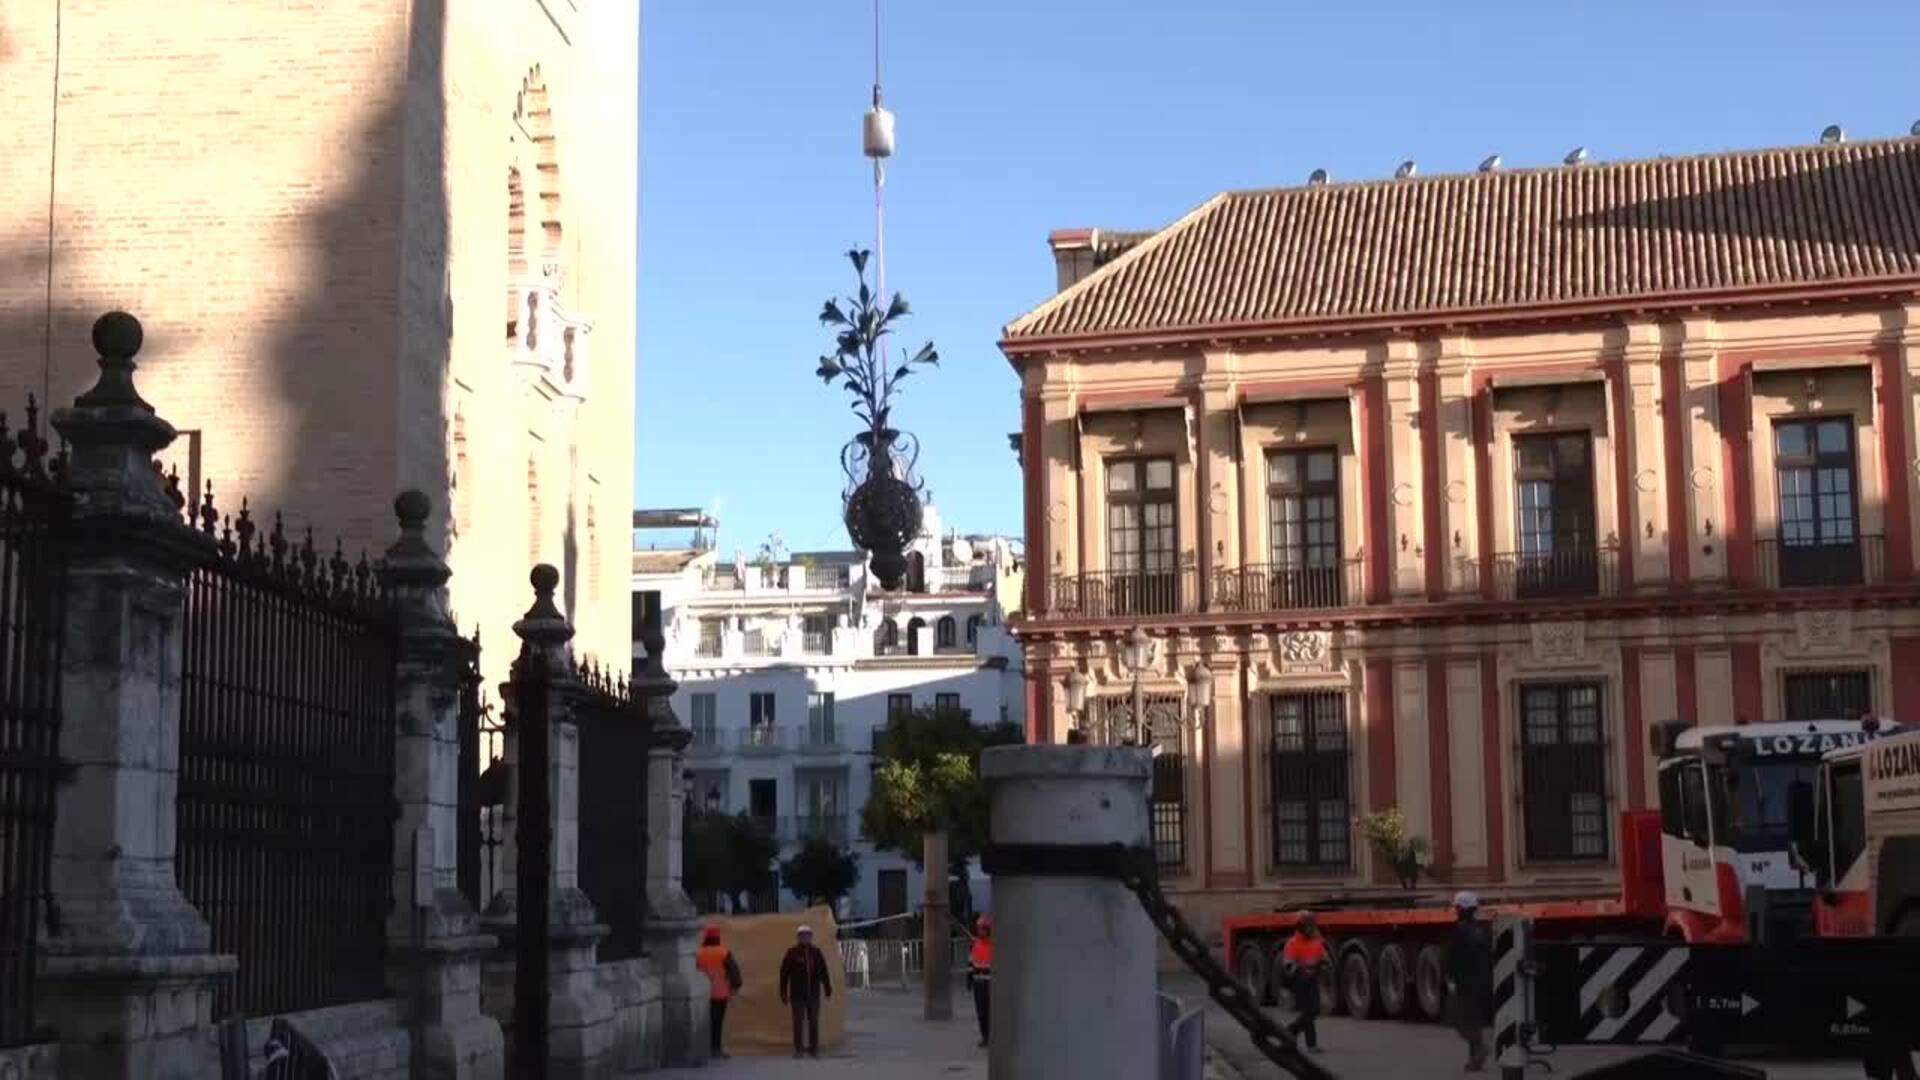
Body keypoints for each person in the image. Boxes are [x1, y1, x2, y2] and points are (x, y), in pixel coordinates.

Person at [1446, 891, 1494, 1072]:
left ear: (1462, 909)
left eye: (1457, 907)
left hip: (1464, 982)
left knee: (1459, 1022)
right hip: (1482, 981)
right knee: (1474, 1021)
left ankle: (1479, 1050)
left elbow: (1453, 957)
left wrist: (1450, 978)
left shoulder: (1459, 930)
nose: (1455, 910)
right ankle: (1475, 1060)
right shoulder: (1481, 929)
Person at [779, 924, 834, 1058]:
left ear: (811, 937)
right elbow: (784, 974)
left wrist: (827, 988)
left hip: (813, 995)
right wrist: (783, 992)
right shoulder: (792, 953)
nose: (805, 937)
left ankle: (813, 1050)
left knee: (814, 1022)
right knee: (798, 1022)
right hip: (797, 996)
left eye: (807, 935)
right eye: (802, 935)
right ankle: (798, 1050)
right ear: (798, 937)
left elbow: (824, 971)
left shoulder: (816, 953)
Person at [1279, 912, 1327, 1053]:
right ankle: (1310, 1045)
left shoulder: (1317, 941)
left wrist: (1320, 969)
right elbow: (1288, 965)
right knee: (1310, 1010)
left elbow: (1323, 958)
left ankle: (1289, 1032)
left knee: (1314, 1010)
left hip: (1312, 978)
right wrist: (1302, 972)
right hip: (1299, 980)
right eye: (1309, 926)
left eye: (1313, 926)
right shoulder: (1292, 943)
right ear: (1301, 927)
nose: (1312, 929)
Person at [693, 926, 742, 1059]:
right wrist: (735, 986)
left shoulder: (697, 953)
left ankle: (702, 1049)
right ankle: (716, 1049)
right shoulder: (723, 952)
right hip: (720, 994)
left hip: (701, 995)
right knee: (717, 1022)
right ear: (717, 938)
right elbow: (734, 972)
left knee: (704, 1023)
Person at [967, 914, 993, 1047]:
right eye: (979, 928)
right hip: (978, 984)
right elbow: (971, 963)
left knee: (991, 1013)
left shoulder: (993, 945)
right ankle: (985, 1037)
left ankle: (992, 1037)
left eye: (983, 928)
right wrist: (969, 980)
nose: (980, 931)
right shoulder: (975, 945)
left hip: (990, 984)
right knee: (981, 1012)